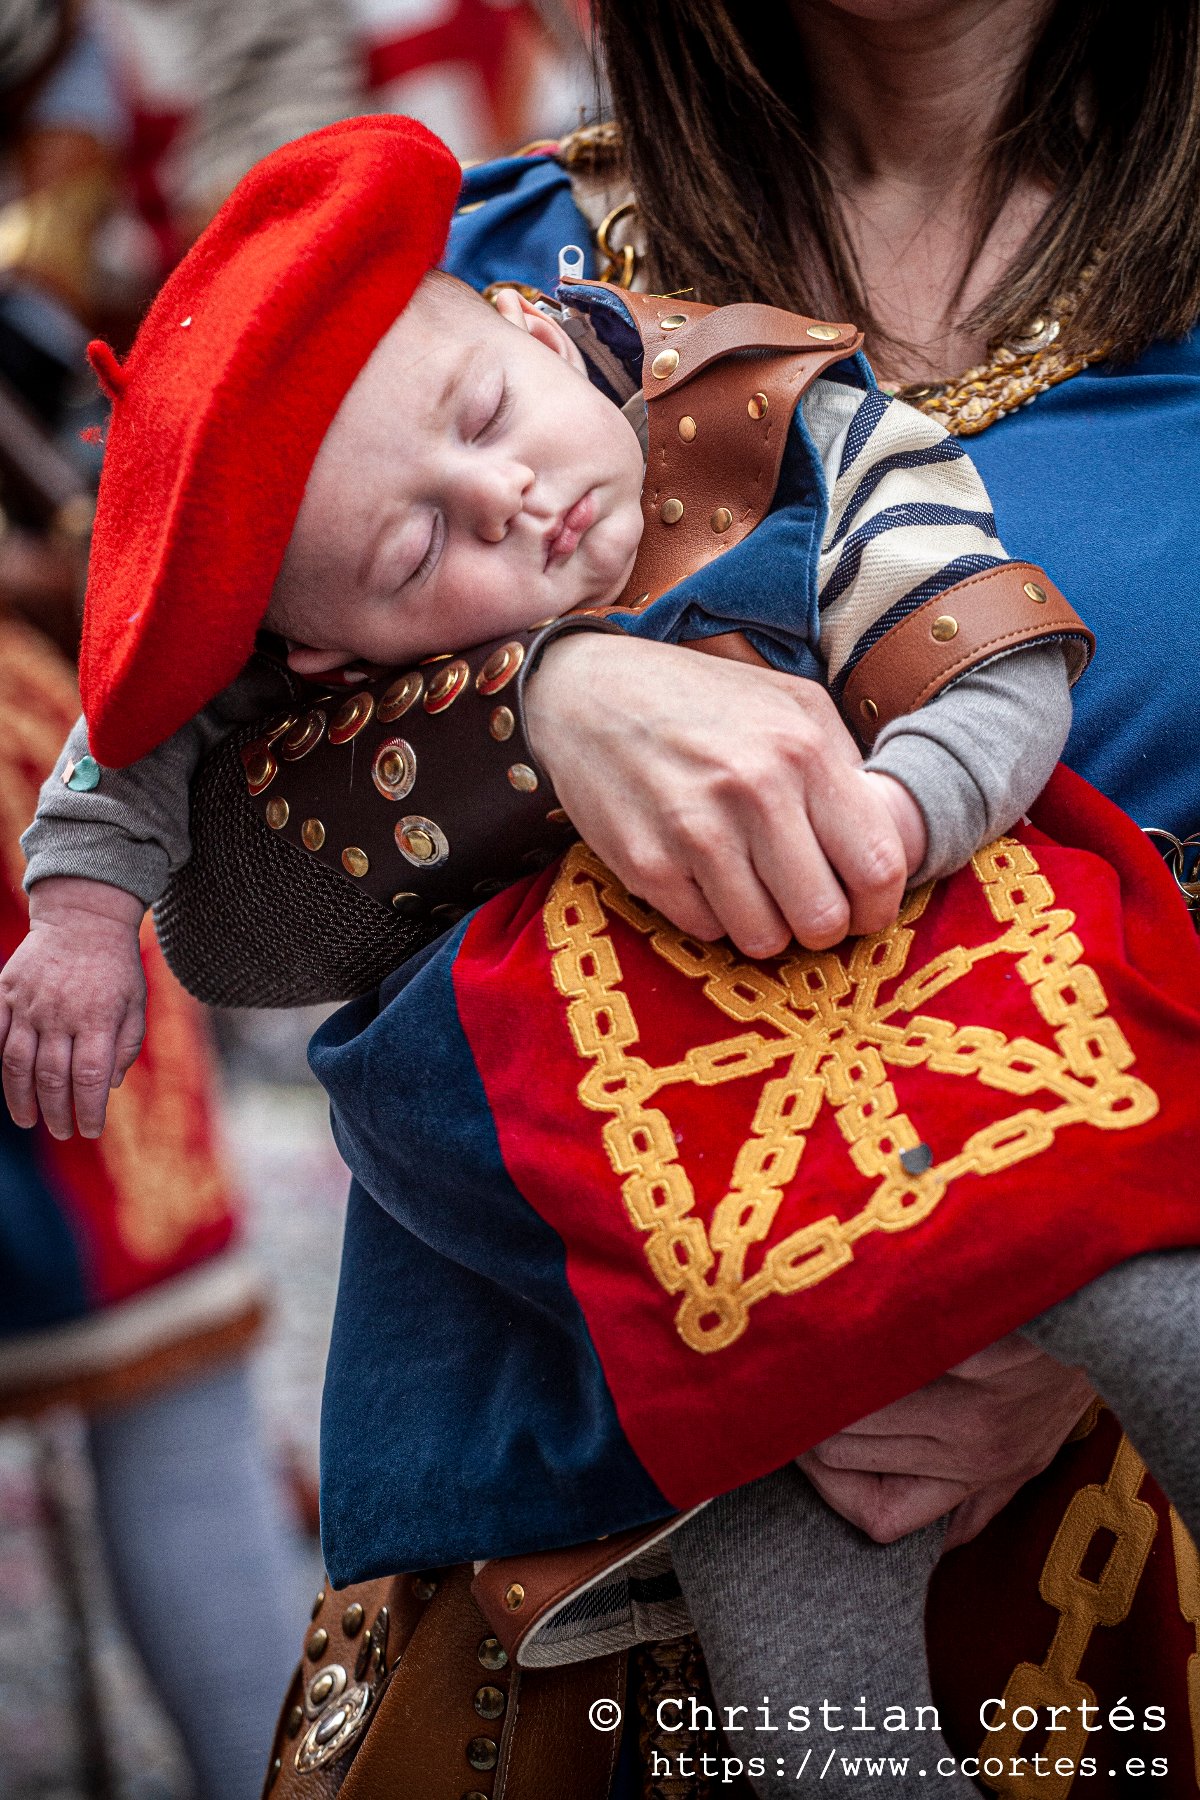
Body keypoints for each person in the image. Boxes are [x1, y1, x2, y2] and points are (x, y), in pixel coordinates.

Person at [2, 114, 1197, 1795]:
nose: (507, 505)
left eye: (493, 427)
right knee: (793, 1611)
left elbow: (973, 619)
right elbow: (182, 793)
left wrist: (915, 818)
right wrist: (538, 705)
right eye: (421, 552)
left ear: (532, 340)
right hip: (647, 1245)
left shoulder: (770, 401)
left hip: (1050, 1080)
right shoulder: (501, 241)